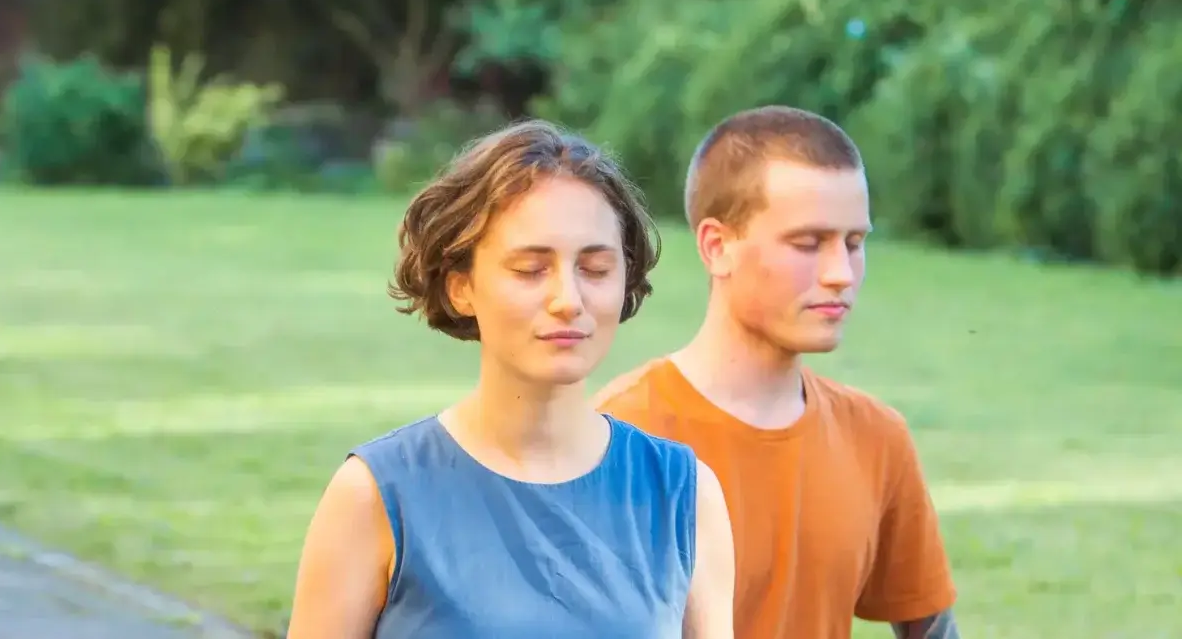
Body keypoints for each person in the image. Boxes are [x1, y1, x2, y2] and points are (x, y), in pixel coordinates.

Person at [286, 120, 736, 639]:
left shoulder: (684, 493)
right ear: (461, 288)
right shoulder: (376, 495)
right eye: (530, 269)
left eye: (594, 268)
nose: (568, 299)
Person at [593, 106, 960, 639]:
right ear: (718, 247)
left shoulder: (877, 437)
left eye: (854, 244)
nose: (840, 275)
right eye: (808, 243)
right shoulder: (622, 442)